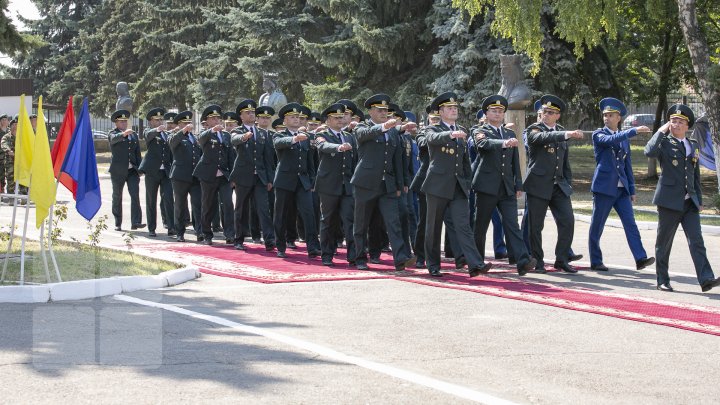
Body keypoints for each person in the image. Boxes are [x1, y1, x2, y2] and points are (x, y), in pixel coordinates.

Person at [644, 104, 720, 292]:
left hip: (689, 202)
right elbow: (649, 151)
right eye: (673, 121)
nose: (676, 124)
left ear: (687, 125)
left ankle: (706, 279)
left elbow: (695, 175)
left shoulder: (692, 144)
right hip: (669, 201)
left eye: (680, 121)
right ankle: (662, 279)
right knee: (664, 243)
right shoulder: (663, 143)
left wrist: (699, 199)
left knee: (696, 241)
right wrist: (661, 130)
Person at [422, 92, 491, 277]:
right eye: (450, 108)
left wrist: (468, 182)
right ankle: (433, 265)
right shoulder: (433, 129)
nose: (454, 110)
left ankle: (475, 264)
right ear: (441, 111)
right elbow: (431, 140)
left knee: (463, 225)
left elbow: (465, 161)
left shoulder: (461, 130)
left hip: (458, 186)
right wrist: (451, 134)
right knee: (434, 228)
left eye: (455, 108)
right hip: (437, 185)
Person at [472, 95, 537, 275]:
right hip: (486, 186)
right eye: (494, 111)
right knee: (481, 225)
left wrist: (518, 184)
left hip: (506, 186)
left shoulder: (509, 133)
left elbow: (514, 161)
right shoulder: (480, 130)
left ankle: (522, 260)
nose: (498, 113)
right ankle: (476, 262)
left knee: (512, 224)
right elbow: (483, 144)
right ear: (486, 113)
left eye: (501, 111)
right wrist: (503, 143)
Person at [589, 97, 654, 271]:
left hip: (621, 189)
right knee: (597, 225)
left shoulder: (624, 139)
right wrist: (633, 131)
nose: (607, 118)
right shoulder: (598, 134)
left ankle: (640, 258)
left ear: (619, 118)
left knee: (630, 224)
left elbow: (627, 165)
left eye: (611, 115)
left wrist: (631, 189)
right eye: (605, 115)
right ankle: (596, 260)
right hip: (604, 187)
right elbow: (610, 141)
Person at [351, 94, 416, 271]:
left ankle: (400, 258)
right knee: (361, 223)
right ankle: (360, 258)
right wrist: (383, 127)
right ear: (370, 111)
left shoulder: (393, 131)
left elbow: (397, 160)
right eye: (379, 110)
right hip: (365, 182)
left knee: (393, 221)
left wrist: (399, 184)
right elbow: (363, 135)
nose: (383, 112)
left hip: (387, 183)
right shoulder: (362, 126)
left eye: (385, 110)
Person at [522, 95, 584, 273]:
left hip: (559, 185)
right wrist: (566, 134)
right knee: (535, 226)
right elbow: (539, 139)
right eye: (543, 112)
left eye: (550, 113)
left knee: (567, 222)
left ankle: (562, 259)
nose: (545, 115)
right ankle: (538, 261)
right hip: (538, 185)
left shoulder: (561, 130)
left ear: (558, 116)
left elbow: (564, 162)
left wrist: (568, 182)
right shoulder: (533, 129)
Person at [272, 102, 321, 258]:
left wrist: (312, 181)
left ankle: (312, 246)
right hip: (284, 180)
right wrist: (293, 139)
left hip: (303, 181)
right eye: (292, 117)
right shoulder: (279, 134)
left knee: (309, 214)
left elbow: (310, 161)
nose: (296, 119)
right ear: (284, 121)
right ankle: (280, 246)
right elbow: (278, 144)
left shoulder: (306, 137)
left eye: (298, 117)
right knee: (281, 214)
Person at [229, 99, 276, 251]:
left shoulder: (263, 133)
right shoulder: (238, 130)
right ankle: (238, 239)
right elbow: (234, 140)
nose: (251, 114)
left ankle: (269, 239)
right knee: (241, 209)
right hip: (243, 176)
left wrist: (269, 179)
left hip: (260, 177)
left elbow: (268, 158)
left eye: (252, 112)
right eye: (247, 113)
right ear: (241, 116)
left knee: (264, 208)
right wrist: (244, 137)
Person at [314, 103, 357, 266]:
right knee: (328, 221)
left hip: (347, 185)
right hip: (328, 185)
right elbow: (323, 146)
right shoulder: (321, 135)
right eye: (336, 118)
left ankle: (353, 255)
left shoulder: (349, 136)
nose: (340, 120)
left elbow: (354, 160)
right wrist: (338, 147)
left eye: (342, 117)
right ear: (327, 120)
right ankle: (327, 254)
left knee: (350, 220)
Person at [193, 105, 235, 245]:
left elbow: (230, 156)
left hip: (223, 175)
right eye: (213, 118)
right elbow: (200, 140)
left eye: (218, 118)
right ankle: (206, 234)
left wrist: (232, 176)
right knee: (208, 205)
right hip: (208, 175)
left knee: (228, 203)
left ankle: (229, 233)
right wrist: (211, 130)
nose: (217, 120)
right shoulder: (205, 134)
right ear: (208, 121)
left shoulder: (226, 135)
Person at [139, 107, 175, 237]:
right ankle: (152, 228)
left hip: (165, 171)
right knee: (151, 200)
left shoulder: (166, 133)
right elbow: (148, 136)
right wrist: (157, 130)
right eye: (157, 120)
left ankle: (171, 227)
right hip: (152, 171)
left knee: (169, 198)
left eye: (161, 120)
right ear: (150, 122)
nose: (160, 122)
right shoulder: (148, 131)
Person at [168, 111, 203, 242]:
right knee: (180, 205)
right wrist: (182, 131)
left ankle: (199, 231)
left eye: (189, 122)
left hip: (194, 176)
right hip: (180, 176)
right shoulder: (175, 135)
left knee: (198, 204)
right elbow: (172, 143)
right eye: (184, 123)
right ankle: (180, 232)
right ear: (179, 125)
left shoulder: (193, 137)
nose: (188, 125)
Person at [108, 110, 144, 231]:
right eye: (121, 121)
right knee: (117, 196)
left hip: (132, 170)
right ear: (116, 123)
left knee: (135, 195)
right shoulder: (113, 134)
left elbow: (137, 153)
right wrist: (123, 134)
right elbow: (113, 140)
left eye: (125, 121)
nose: (124, 123)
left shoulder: (132, 135)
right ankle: (118, 222)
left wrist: (140, 168)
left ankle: (136, 222)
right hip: (118, 171)